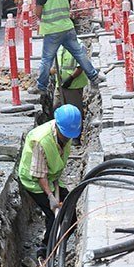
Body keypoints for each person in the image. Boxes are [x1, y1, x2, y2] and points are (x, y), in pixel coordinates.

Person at [34, 0, 104, 101]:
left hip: (53, 30)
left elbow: (38, 13)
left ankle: (41, 86)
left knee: (46, 59)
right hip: (68, 27)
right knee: (79, 54)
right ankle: (94, 77)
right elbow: (68, 7)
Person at [18, 104, 82, 258]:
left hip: (52, 177)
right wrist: (51, 197)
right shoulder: (41, 140)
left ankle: (59, 241)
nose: (68, 139)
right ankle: (47, 250)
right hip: (34, 180)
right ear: (58, 126)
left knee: (71, 211)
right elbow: (40, 174)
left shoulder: (65, 134)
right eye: (66, 135)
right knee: (54, 215)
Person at [55, 44, 87, 118]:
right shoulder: (59, 46)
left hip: (73, 87)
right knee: (57, 108)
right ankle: (59, 128)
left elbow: (81, 66)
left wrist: (70, 79)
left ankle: (76, 128)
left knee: (74, 113)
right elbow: (58, 65)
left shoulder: (79, 45)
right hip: (59, 85)